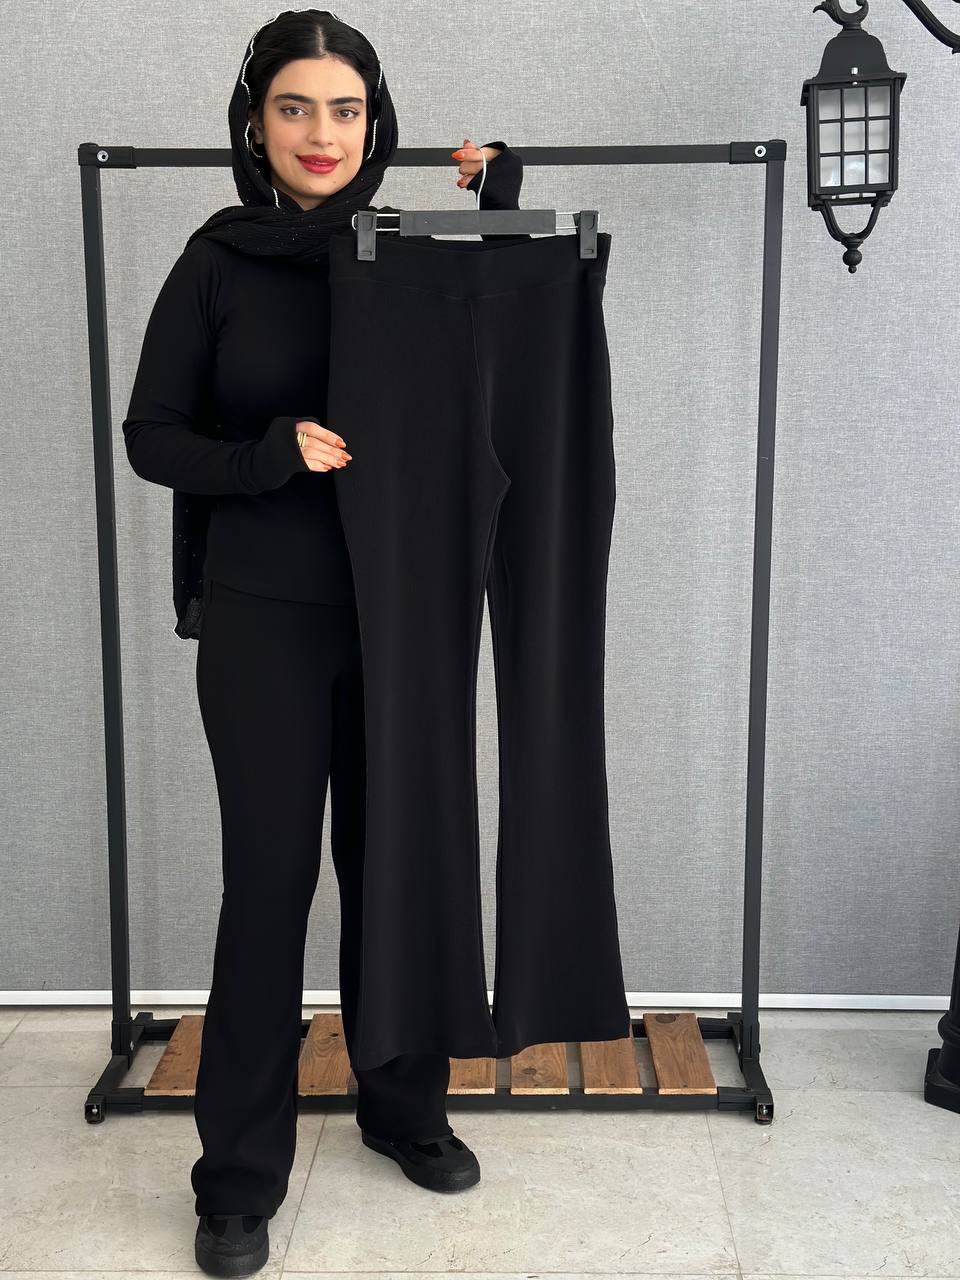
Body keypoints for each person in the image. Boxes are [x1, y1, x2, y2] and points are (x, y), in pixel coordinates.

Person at [120, 9, 524, 1276]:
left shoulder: (409, 257)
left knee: (394, 865)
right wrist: (267, 454)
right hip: (263, 623)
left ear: (374, 125)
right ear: (255, 124)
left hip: (399, 610)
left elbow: (508, 354)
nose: (320, 133)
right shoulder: (217, 262)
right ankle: (240, 1176)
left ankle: (403, 1107)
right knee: (270, 885)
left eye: (344, 110)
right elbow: (151, 435)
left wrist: (500, 205)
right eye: (294, 106)